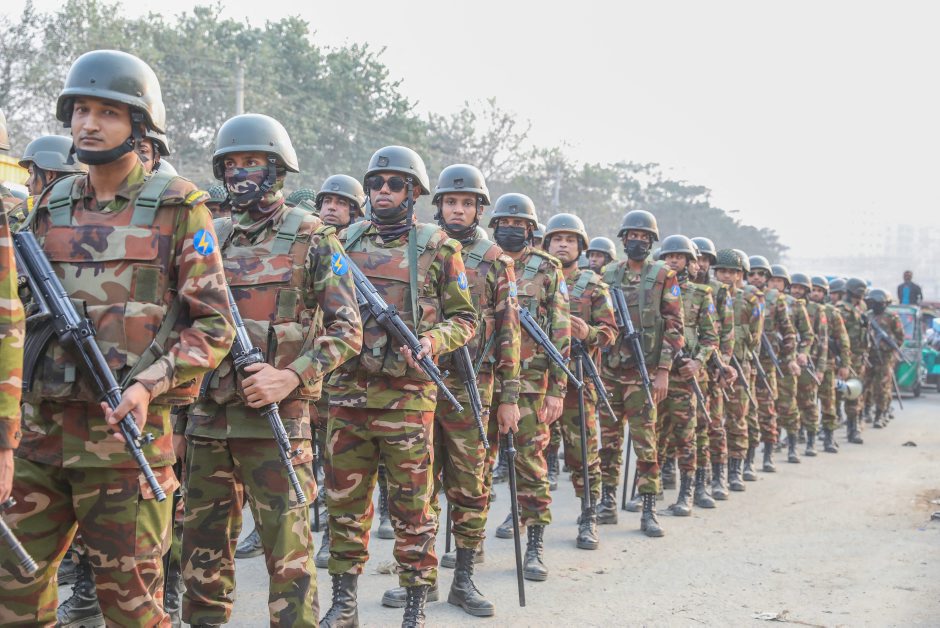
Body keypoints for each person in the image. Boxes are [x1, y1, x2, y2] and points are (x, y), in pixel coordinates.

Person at [0, 49, 235, 626]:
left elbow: (215, 324)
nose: (89, 124)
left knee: (132, 609)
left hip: (125, 445)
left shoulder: (180, 209)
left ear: (141, 124)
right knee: (14, 596)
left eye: (107, 112)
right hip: (39, 440)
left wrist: (148, 384)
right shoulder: (47, 207)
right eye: (80, 110)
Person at [179, 113, 362, 626]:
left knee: (289, 557)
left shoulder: (313, 237)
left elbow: (348, 330)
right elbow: (184, 326)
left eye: (252, 162)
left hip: (276, 423)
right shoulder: (209, 238)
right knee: (200, 555)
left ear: (277, 169)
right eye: (231, 164)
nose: (239, 173)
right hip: (208, 421)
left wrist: (290, 375)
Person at [320, 146, 476, 628]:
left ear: (413, 192)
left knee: (412, 506)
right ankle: (344, 603)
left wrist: (431, 340)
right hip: (347, 394)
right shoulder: (341, 242)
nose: (382, 191)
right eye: (375, 183)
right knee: (344, 504)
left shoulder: (439, 247)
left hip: (407, 400)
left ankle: (415, 603)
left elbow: (465, 319)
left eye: (394, 184)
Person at [383, 164, 521, 616]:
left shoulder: (496, 261)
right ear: (437, 205)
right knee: (417, 484)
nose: (457, 210)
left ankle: (464, 577)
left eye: (466, 203)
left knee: (469, 484)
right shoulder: (420, 247)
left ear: (479, 210)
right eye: (450, 202)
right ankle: (419, 581)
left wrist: (510, 398)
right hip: (418, 383)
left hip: (471, 386)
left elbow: (509, 333)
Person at [488, 194, 570, 581]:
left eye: (519, 225)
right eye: (505, 223)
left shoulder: (547, 268)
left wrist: (557, 389)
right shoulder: (481, 260)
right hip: (483, 378)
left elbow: (560, 331)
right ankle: (470, 546)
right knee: (476, 464)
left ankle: (534, 543)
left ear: (530, 230)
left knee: (530, 462)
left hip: (531, 383)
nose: (511, 229)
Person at [599, 210, 683, 536]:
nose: (637, 241)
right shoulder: (607, 274)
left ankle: (649, 508)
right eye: (632, 236)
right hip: (610, 370)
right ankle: (607, 502)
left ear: (651, 242)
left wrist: (663, 371)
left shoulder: (663, 276)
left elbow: (674, 327)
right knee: (608, 442)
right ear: (623, 239)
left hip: (643, 371)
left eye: (644, 237)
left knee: (646, 443)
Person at [544, 213, 616, 543]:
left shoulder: (593, 286)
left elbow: (610, 333)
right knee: (530, 452)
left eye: (570, 240)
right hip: (539, 380)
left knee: (582, 453)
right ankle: (525, 514)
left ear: (580, 246)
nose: (563, 245)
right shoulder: (534, 278)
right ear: (547, 244)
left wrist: (589, 332)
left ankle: (589, 513)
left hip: (577, 380)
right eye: (557, 239)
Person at [656, 236, 718, 515]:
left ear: (689, 262)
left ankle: (688, 492)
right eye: (669, 256)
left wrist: (698, 362)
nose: (673, 260)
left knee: (687, 435)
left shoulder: (701, 294)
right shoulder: (652, 288)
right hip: (656, 372)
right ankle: (650, 490)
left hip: (684, 375)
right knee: (654, 434)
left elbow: (710, 337)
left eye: (679, 256)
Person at [714, 249, 762, 492]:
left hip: (740, 366)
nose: (726, 276)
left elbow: (755, 337)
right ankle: (716, 472)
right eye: (722, 271)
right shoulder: (710, 295)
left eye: (731, 272)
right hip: (714, 367)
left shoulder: (750, 300)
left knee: (737, 418)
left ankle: (736, 469)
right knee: (713, 421)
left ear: (740, 274)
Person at [746, 256, 796, 474]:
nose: (756, 277)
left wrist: (789, 358)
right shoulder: (740, 296)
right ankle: (747, 459)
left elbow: (788, 332)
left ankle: (767, 455)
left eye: (761, 274)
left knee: (767, 410)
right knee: (746, 412)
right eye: (752, 274)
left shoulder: (776, 299)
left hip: (767, 363)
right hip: (745, 362)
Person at [767, 265, 814, 463]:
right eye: (772, 280)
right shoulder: (759, 301)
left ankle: (793, 445)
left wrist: (802, 353)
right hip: (765, 361)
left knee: (788, 405)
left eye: (779, 281)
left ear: (785, 284)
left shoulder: (794, 305)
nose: (774, 284)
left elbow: (807, 334)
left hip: (787, 361)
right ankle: (772, 443)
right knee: (768, 406)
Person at [790, 273, 829, 456]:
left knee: (808, 403)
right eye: (794, 287)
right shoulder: (785, 305)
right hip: (788, 361)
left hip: (807, 362)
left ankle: (811, 440)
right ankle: (792, 437)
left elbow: (823, 340)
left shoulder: (816, 310)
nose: (796, 291)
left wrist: (821, 368)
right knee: (789, 403)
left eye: (800, 288)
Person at [811, 276, 850, 453]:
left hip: (827, 363)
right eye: (813, 290)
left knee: (828, 402)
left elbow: (842, 339)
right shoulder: (799, 308)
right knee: (803, 402)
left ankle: (828, 436)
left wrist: (845, 364)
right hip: (805, 363)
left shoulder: (832, 312)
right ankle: (800, 434)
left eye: (819, 291)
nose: (815, 293)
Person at [864, 288, 904, 428]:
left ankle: (879, 414)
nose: (875, 306)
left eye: (878, 303)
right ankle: (866, 411)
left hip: (885, 357)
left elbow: (900, 338)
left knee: (881, 387)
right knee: (865, 385)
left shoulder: (892, 317)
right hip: (868, 356)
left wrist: (887, 344)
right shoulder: (867, 316)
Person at [839, 278, 870, 444]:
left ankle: (854, 428)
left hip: (858, 357)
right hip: (843, 357)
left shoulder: (862, 307)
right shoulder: (841, 309)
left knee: (855, 392)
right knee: (837, 394)